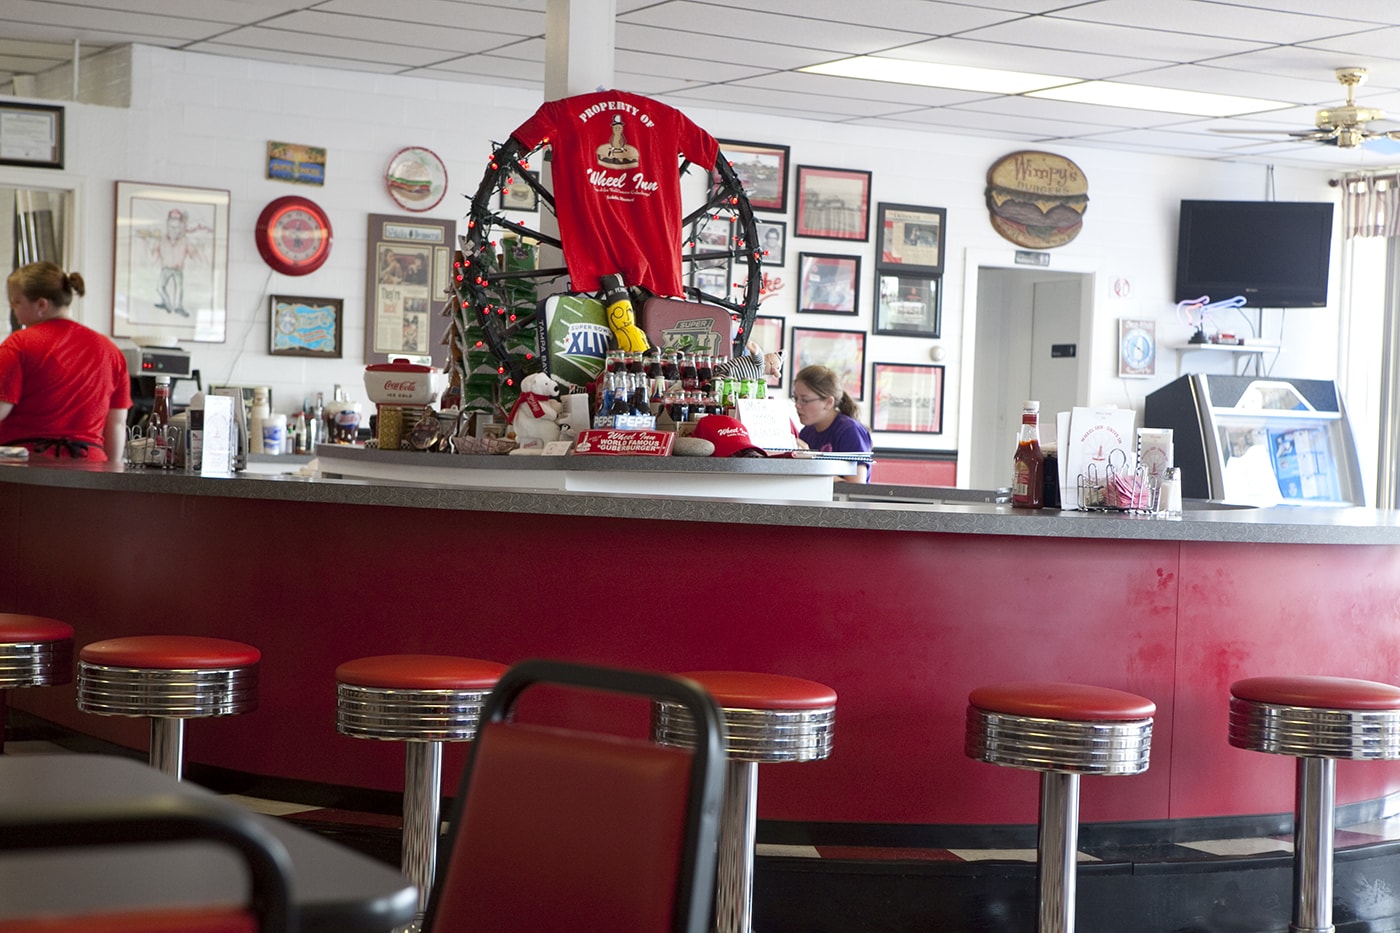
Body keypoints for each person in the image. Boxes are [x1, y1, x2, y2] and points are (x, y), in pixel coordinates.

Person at [1, 262, 131, 461]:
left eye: (16, 302)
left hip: (26, 467)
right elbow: (117, 424)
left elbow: (2, 407)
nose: (13, 309)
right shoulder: (110, 350)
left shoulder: (19, 344)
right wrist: (110, 476)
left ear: (41, 305)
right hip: (89, 466)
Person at [792, 364, 871, 483]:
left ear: (828, 402)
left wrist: (812, 465)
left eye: (805, 400)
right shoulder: (806, 433)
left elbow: (857, 486)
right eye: (796, 398)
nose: (797, 405)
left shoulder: (849, 431)